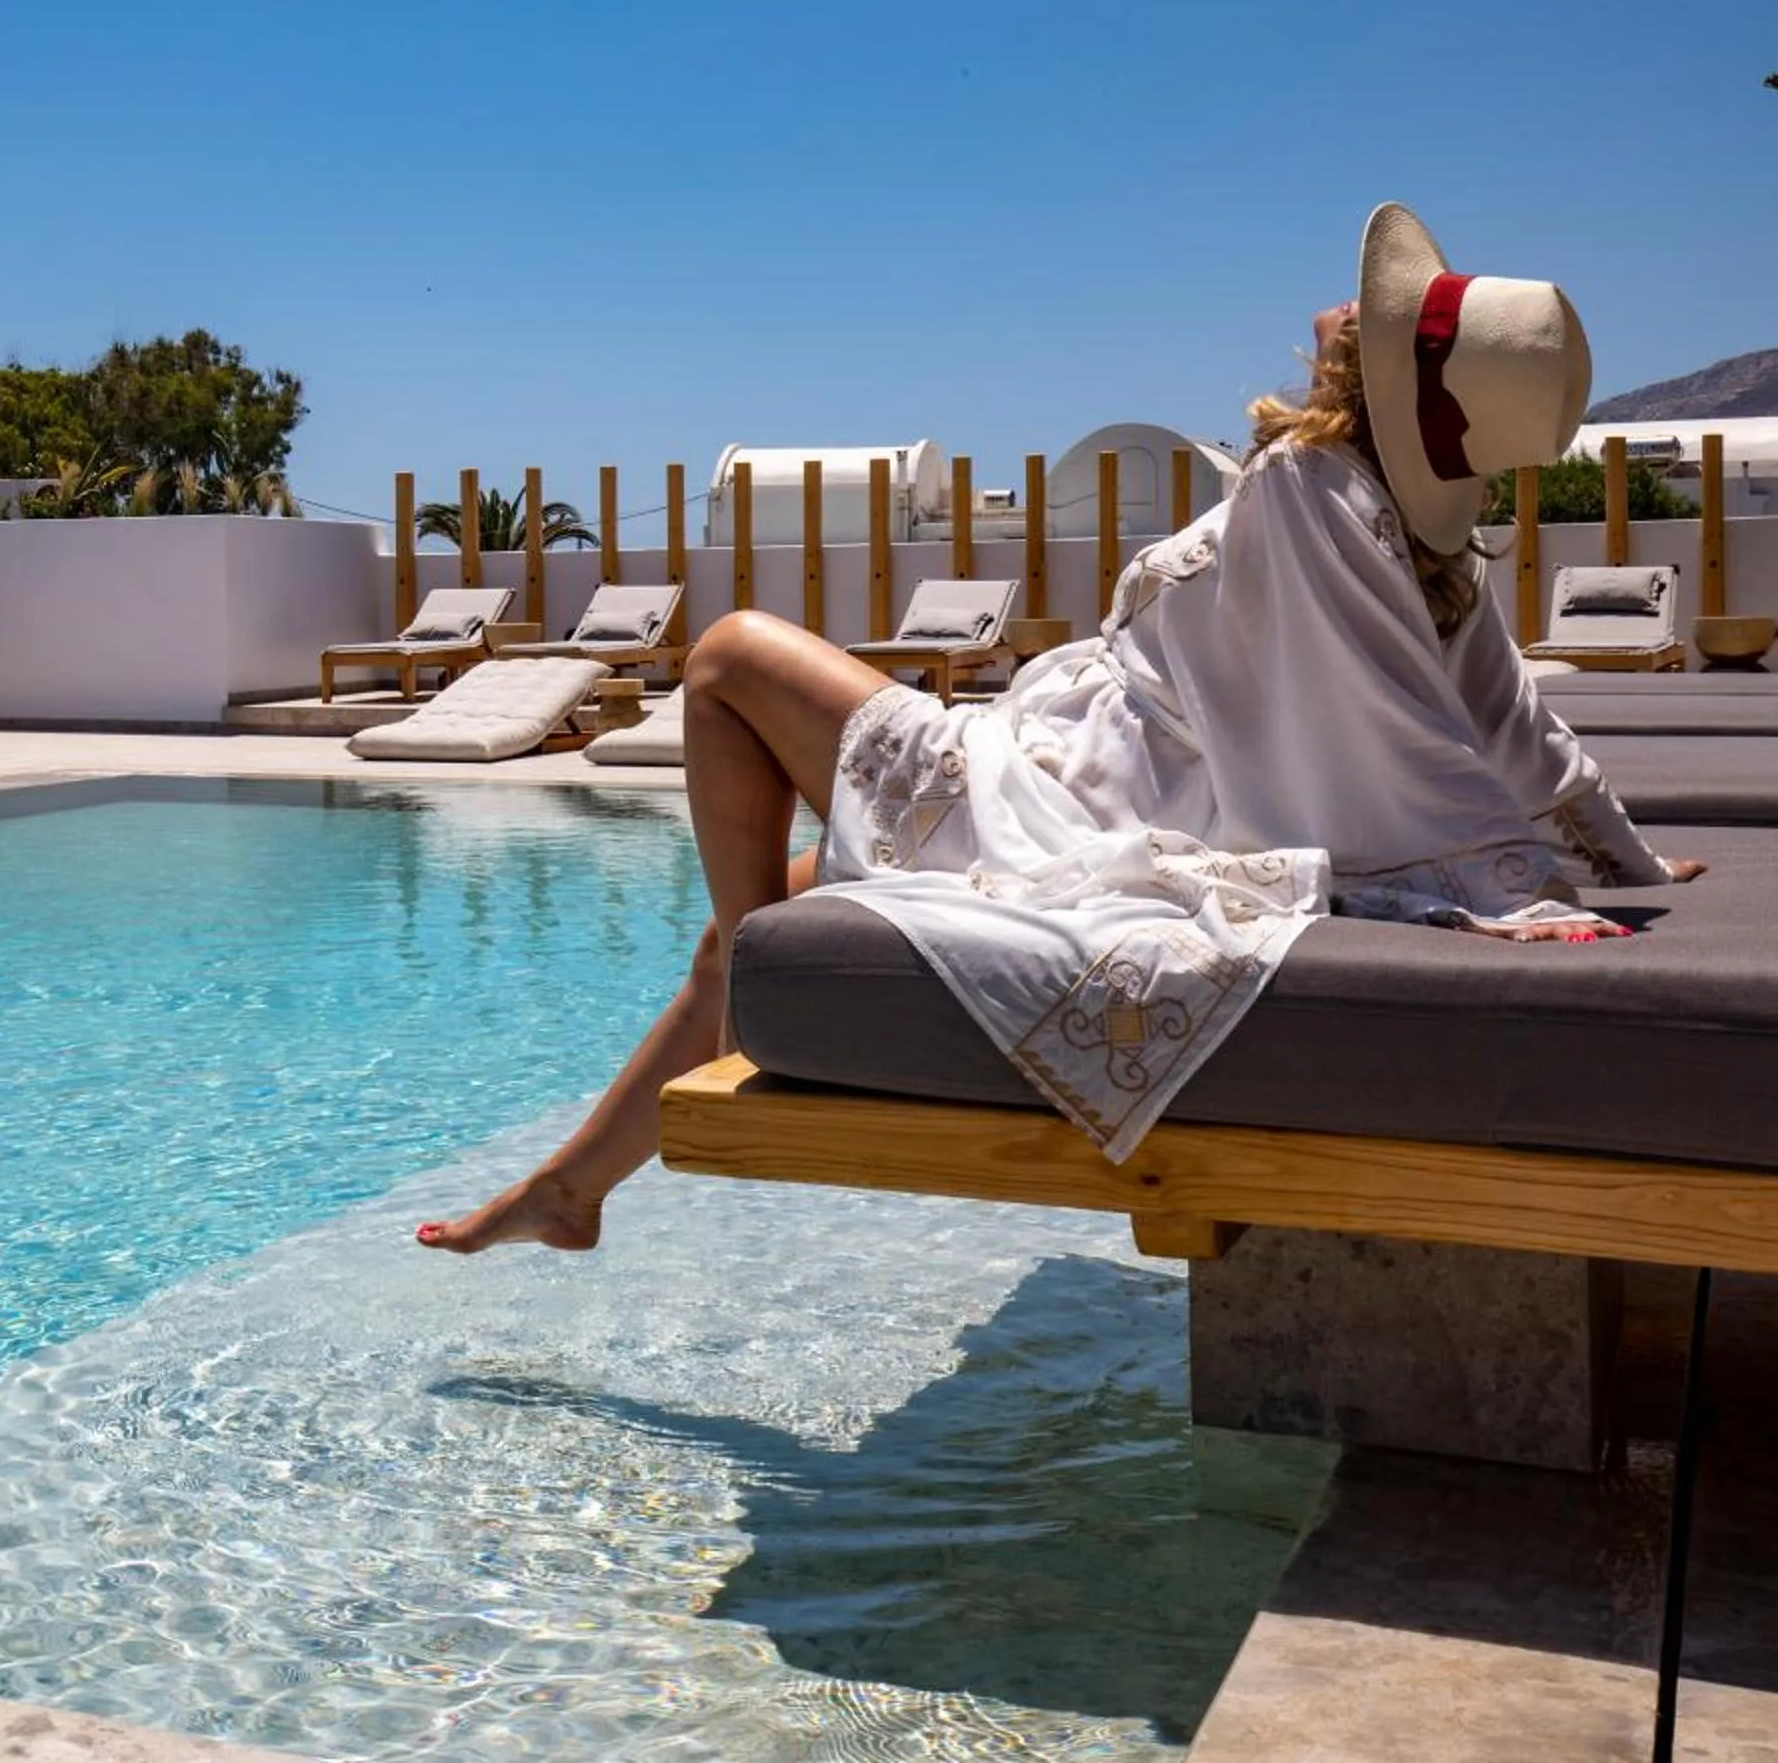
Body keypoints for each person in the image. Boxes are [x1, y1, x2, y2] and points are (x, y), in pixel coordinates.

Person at [421, 203, 1701, 1255]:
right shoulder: (1412, 537)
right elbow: (1512, 727)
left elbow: (1446, 734)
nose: (1335, 310)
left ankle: (765, 991)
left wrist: (1526, 882)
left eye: (1366, 321)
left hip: (1046, 795)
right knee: (725, 937)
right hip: (1076, 770)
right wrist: (1613, 855)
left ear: (1373, 373)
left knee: (727, 656)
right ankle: (572, 1187)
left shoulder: (1312, 489)